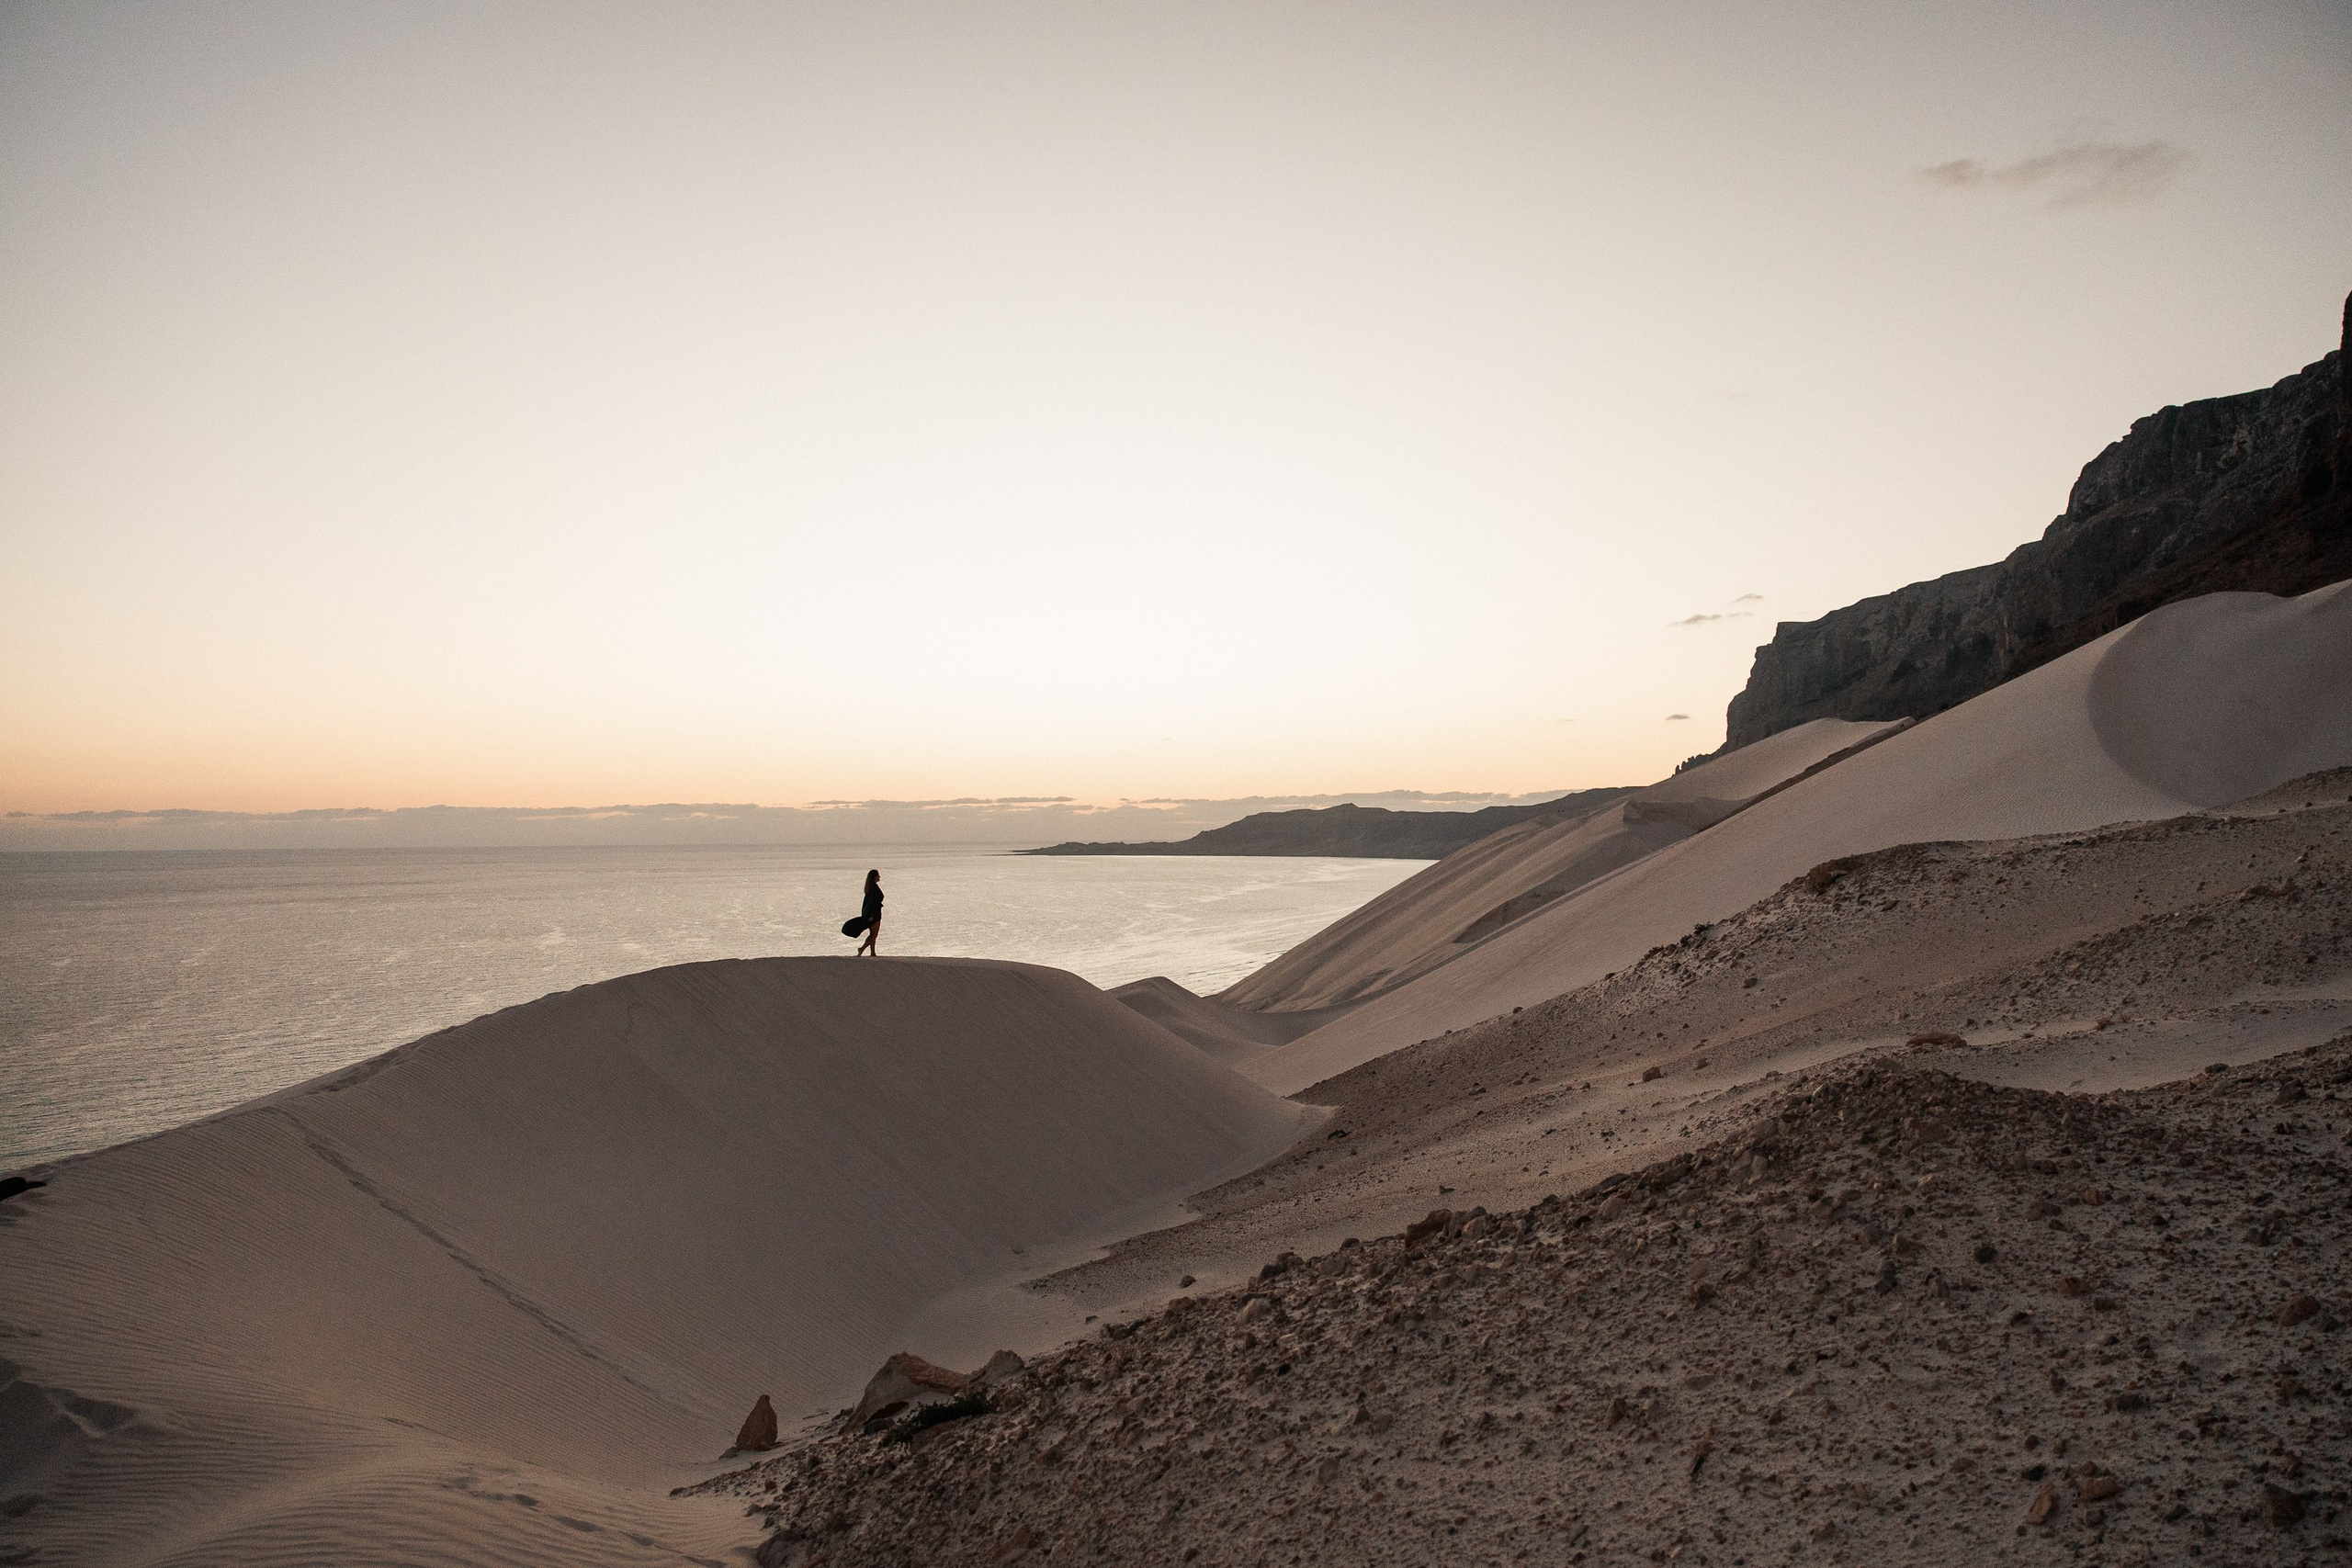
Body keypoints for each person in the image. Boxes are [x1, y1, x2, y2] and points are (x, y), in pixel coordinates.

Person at [855, 869, 883, 956]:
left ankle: (873, 952)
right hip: (874, 914)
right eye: (878, 875)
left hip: (872, 913)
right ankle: (862, 948)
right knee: (874, 935)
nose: (879, 876)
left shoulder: (871, 887)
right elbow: (872, 903)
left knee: (873, 934)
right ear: (874, 877)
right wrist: (871, 915)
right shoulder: (873, 888)